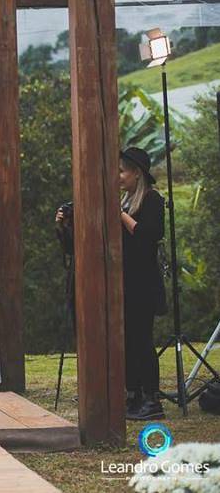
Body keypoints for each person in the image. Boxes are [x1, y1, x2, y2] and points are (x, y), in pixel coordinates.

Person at [119, 147, 166, 421]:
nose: (119, 176)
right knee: (128, 341)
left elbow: (150, 235)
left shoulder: (151, 200)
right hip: (125, 281)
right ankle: (133, 393)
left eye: (123, 171)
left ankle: (151, 397)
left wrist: (121, 216)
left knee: (142, 340)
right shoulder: (125, 202)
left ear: (137, 174)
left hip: (143, 283)